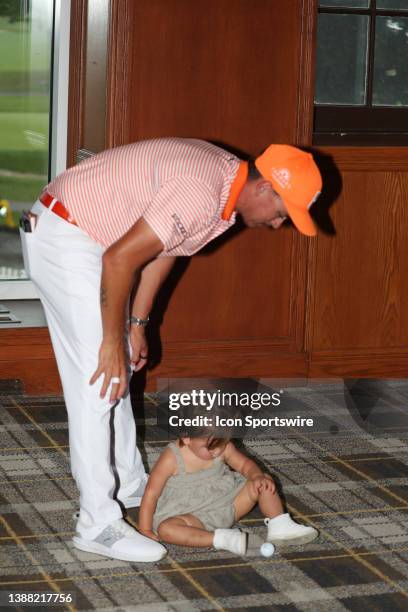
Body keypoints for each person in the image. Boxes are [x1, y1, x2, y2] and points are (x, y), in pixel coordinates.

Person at [25, 138, 322, 563]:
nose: (278, 225)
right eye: (282, 213)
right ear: (265, 188)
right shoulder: (203, 190)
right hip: (70, 236)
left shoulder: (224, 192)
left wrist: (136, 326)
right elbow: (119, 260)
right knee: (99, 381)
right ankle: (97, 525)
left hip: (87, 238)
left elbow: (163, 252)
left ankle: (129, 485)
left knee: (118, 372)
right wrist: (111, 340)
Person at [139, 433, 318, 554]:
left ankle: (280, 524)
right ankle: (223, 539)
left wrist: (255, 477)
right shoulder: (172, 456)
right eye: (209, 448)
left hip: (230, 504)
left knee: (263, 480)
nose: (217, 451)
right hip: (191, 517)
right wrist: (145, 529)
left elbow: (245, 466)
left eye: (221, 444)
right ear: (186, 438)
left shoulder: (222, 446)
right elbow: (151, 494)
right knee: (166, 530)